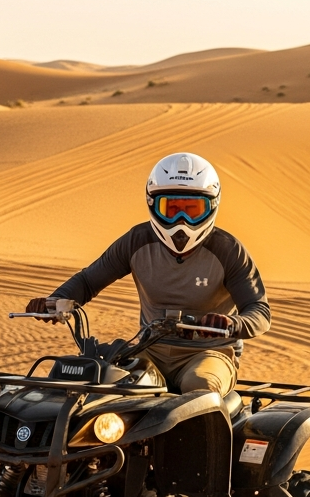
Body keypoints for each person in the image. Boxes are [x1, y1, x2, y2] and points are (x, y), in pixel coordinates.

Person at [25, 152, 270, 395]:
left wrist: (231, 323)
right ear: (152, 204)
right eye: (171, 208)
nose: (180, 221)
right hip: (149, 349)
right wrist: (56, 301)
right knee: (102, 378)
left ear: (212, 206)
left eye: (192, 210)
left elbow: (259, 312)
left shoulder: (228, 250)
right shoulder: (137, 242)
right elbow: (89, 280)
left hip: (209, 353)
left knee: (199, 386)